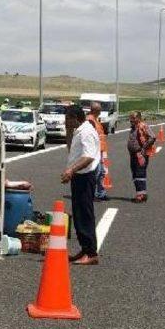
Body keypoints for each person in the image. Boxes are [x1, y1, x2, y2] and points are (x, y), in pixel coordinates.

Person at [61, 105, 100, 265]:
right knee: (78, 214)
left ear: (75, 118)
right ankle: (84, 248)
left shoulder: (86, 132)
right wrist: (68, 130)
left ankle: (91, 253)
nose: (65, 122)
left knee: (85, 214)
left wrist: (71, 170)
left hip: (85, 177)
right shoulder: (78, 131)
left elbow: (89, 157)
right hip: (79, 176)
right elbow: (71, 149)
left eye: (67, 119)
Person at [127, 111, 156, 203]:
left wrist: (143, 148)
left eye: (134, 118)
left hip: (140, 154)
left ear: (139, 118)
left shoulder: (143, 126)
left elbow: (152, 137)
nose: (131, 120)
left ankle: (140, 195)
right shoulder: (133, 127)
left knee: (140, 173)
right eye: (131, 118)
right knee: (135, 174)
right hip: (133, 154)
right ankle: (141, 193)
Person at [87, 102, 109, 201]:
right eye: (99, 110)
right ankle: (92, 194)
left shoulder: (95, 120)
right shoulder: (90, 120)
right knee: (96, 173)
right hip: (94, 151)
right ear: (96, 110)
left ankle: (101, 193)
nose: (100, 112)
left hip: (100, 150)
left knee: (101, 173)